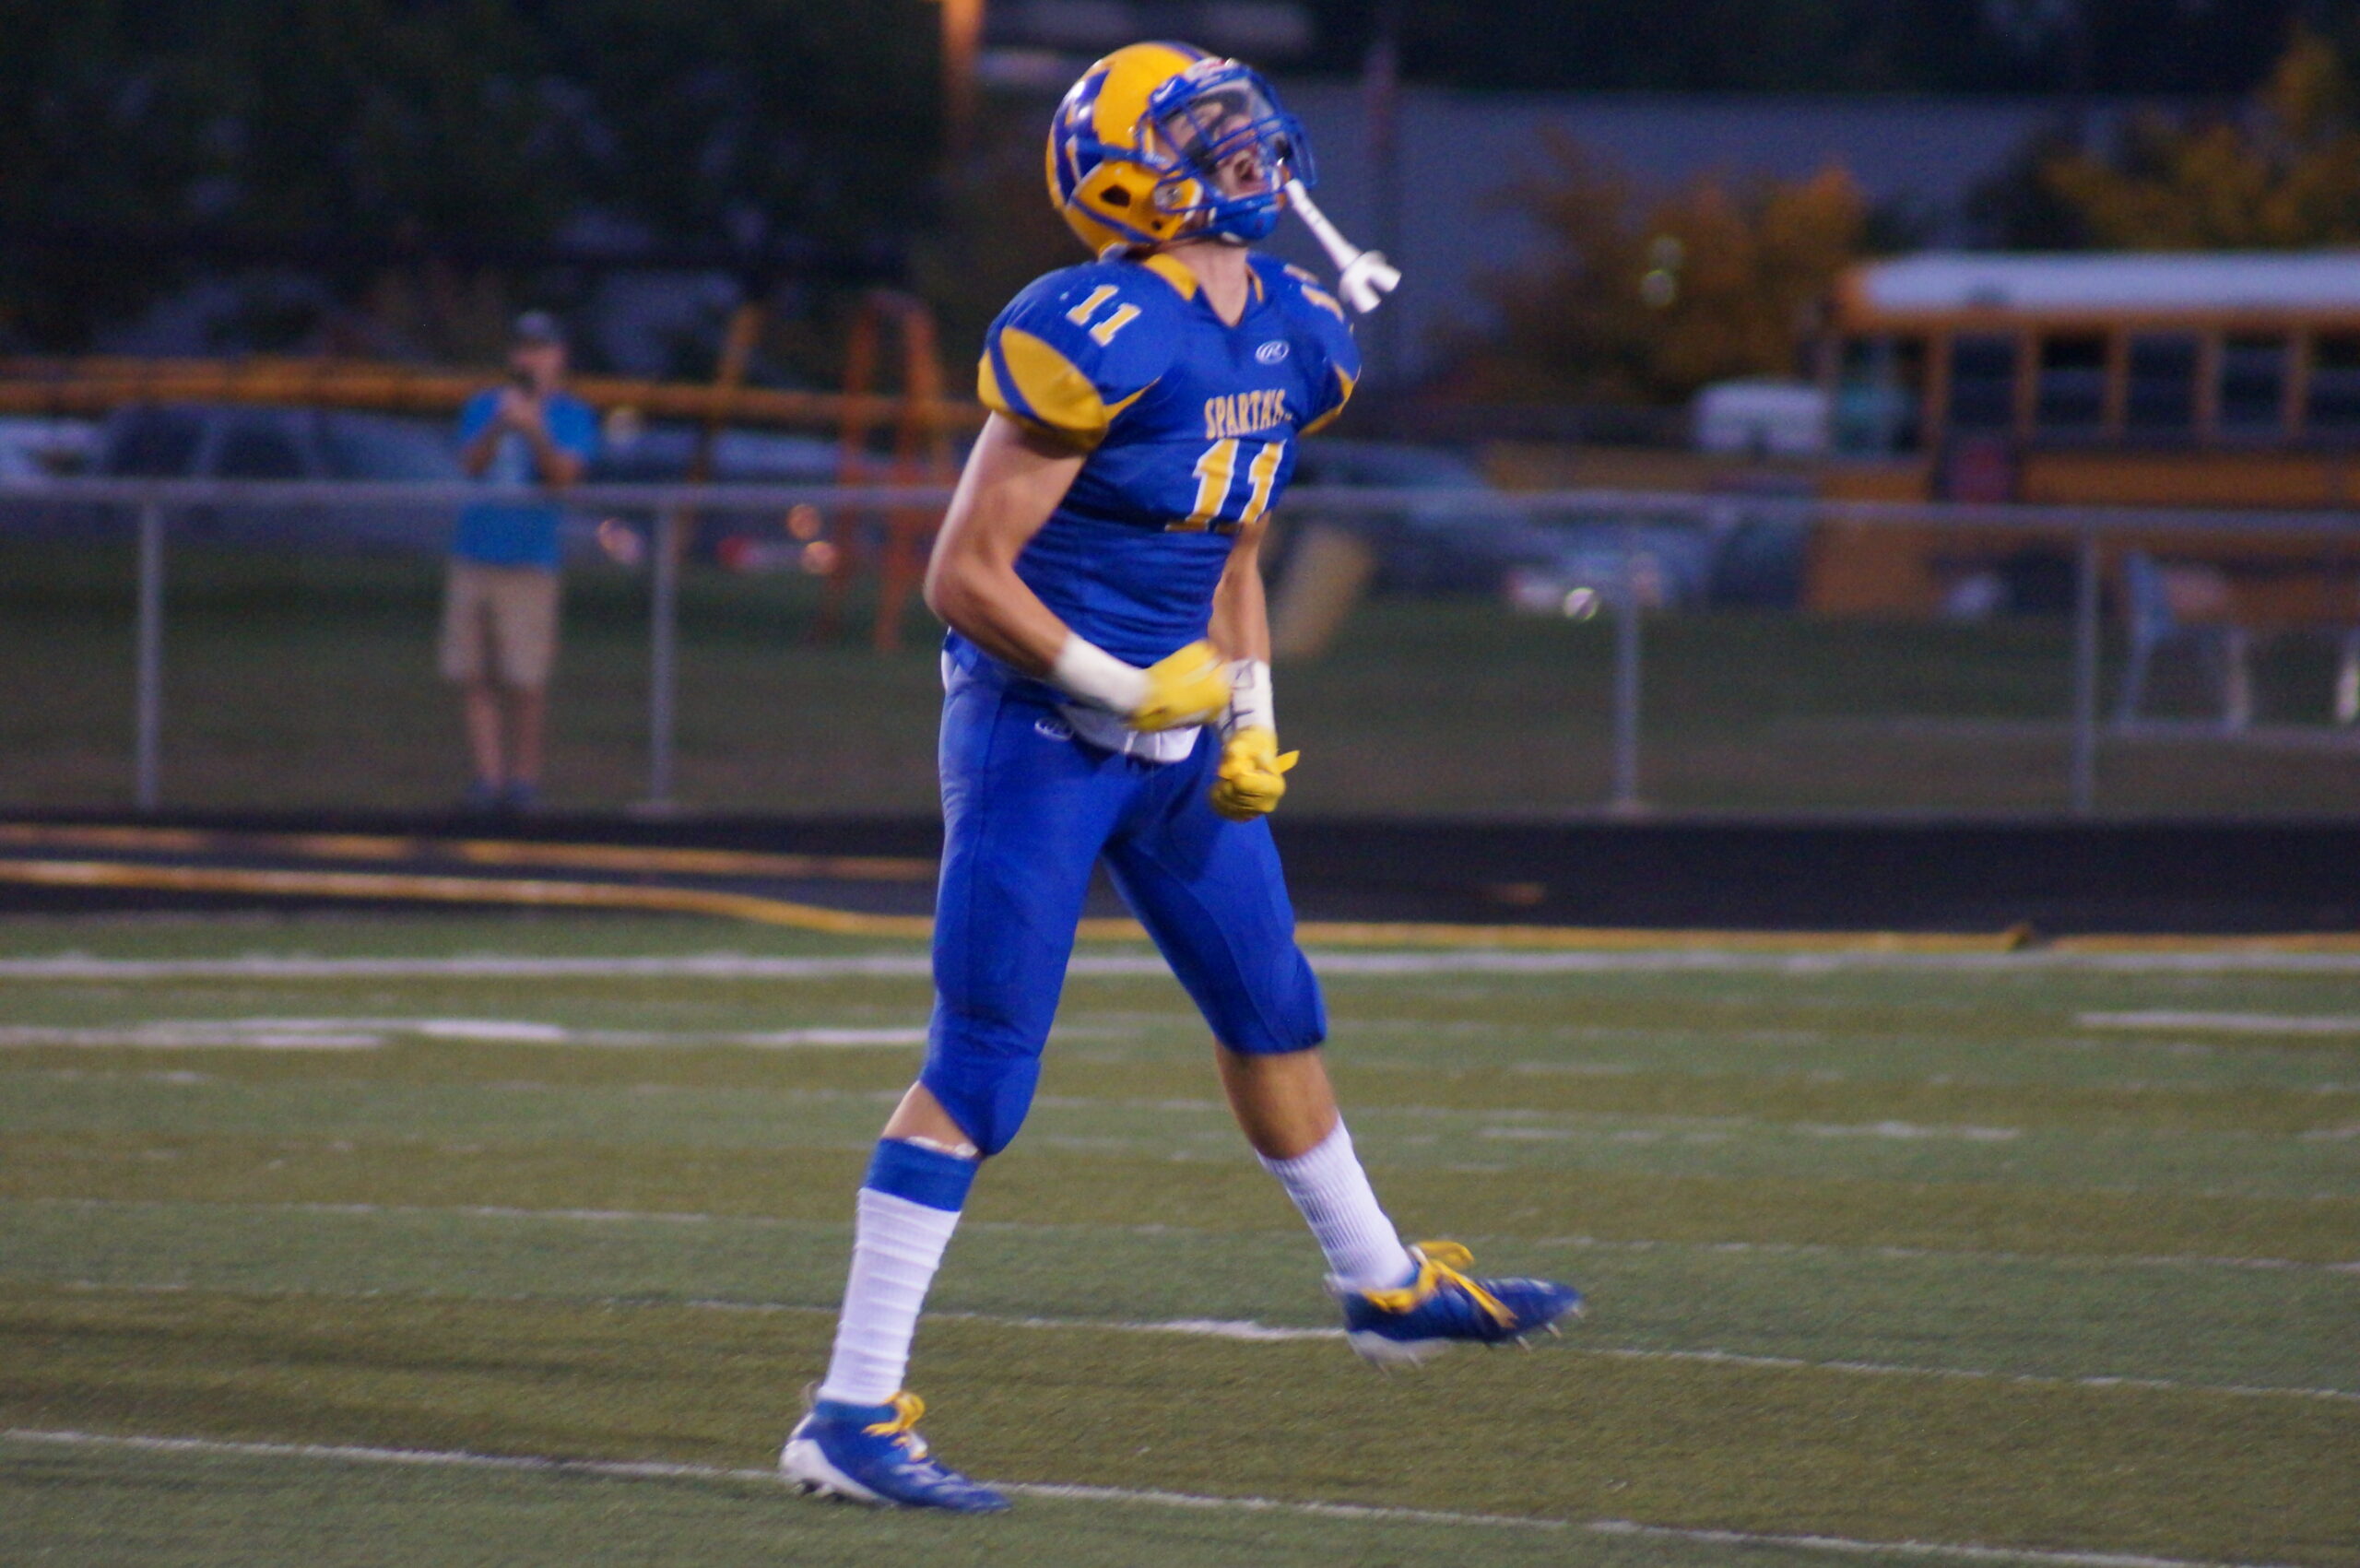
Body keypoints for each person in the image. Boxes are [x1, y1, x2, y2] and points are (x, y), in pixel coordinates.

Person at [781, 43, 1581, 1513]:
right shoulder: (1090, 325)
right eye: (1203, 131)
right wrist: (1113, 680)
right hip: (1040, 733)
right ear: (1123, 174)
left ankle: (1384, 1283)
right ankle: (845, 1410)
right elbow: (963, 574)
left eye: (1241, 121)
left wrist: (1254, 706)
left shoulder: (1291, 322)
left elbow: (1235, 543)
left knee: (1274, 1011)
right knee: (982, 1069)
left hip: (1185, 730)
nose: (1246, 148)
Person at [443, 311, 598, 814]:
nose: (529, 358)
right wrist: (499, 423)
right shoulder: (483, 406)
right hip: (475, 554)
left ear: (559, 358)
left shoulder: (572, 415)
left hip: (530, 560)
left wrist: (534, 430)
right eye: (523, 348)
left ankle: (524, 779)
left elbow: (562, 479)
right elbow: (470, 465)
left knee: (525, 677)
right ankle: (488, 779)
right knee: (475, 673)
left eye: (541, 348)